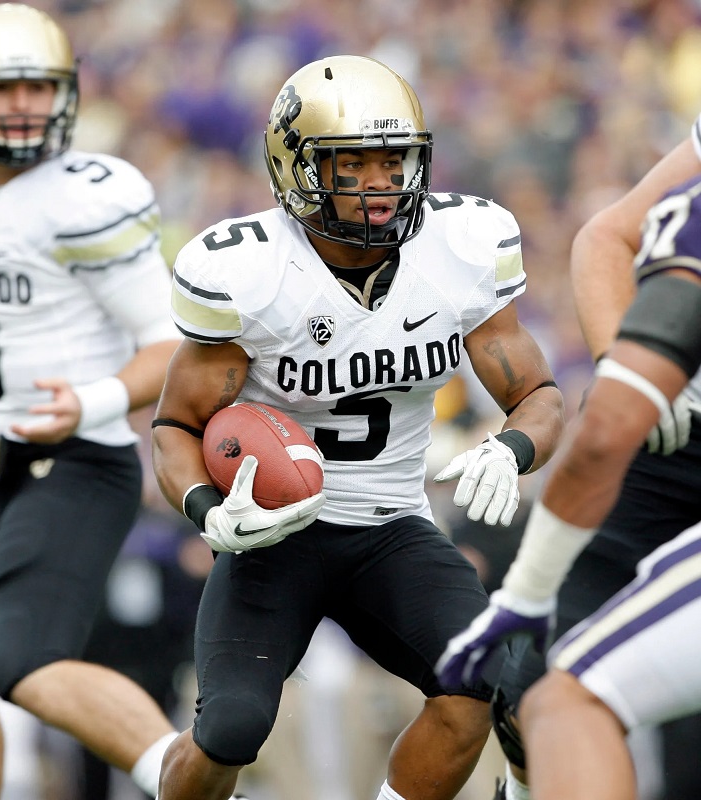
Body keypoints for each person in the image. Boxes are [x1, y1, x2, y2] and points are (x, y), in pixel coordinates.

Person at [150, 54, 565, 800]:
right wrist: (210, 513)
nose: (381, 182)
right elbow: (175, 426)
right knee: (230, 729)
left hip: (392, 526)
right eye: (353, 164)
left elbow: (538, 392)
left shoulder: (459, 248)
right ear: (298, 168)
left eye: (393, 160)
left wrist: (512, 448)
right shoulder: (253, 274)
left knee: (492, 681)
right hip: (274, 537)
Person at [0, 5, 231, 799]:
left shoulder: (87, 198)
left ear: (67, 93)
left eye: (37, 87)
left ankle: (187, 781)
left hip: (77, 460)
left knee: (28, 663)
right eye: (1, 88)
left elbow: (171, 342)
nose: (22, 105)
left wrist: (91, 402)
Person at [440, 125, 701, 800]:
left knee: (569, 698)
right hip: (670, 446)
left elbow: (606, 430)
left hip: (649, 431)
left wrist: (526, 592)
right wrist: (621, 363)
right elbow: (606, 237)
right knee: (535, 697)